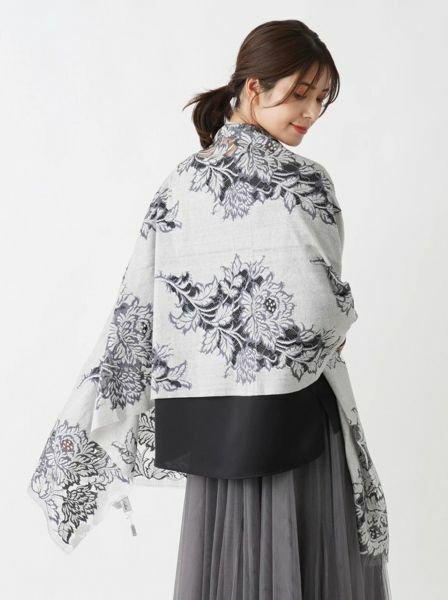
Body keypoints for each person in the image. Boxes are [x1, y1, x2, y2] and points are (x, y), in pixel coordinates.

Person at [27, 19, 391, 600]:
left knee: (226, 572)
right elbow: (320, 309)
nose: (311, 112)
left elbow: (143, 306)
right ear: (254, 87)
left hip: (215, 425)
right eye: (300, 93)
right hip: (296, 420)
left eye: (322, 99)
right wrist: (340, 321)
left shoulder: (180, 185)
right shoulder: (303, 180)